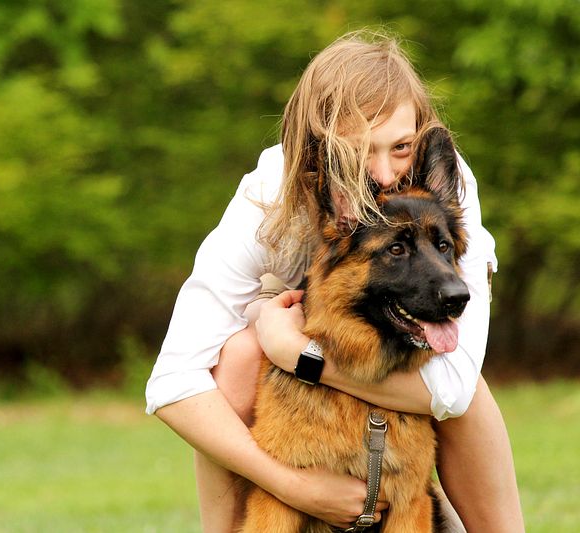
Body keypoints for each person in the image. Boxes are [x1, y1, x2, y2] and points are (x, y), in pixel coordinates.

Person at [145, 31, 525, 532]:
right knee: (236, 356)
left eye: (402, 146)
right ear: (316, 146)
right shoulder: (266, 193)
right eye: (361, 151)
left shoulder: (443, 184)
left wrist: (300, 357)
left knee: (464, 385)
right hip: (309, 315)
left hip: (376, 340)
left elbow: (451, 390)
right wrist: (294, 485)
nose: (386, 174)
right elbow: (173, 383)